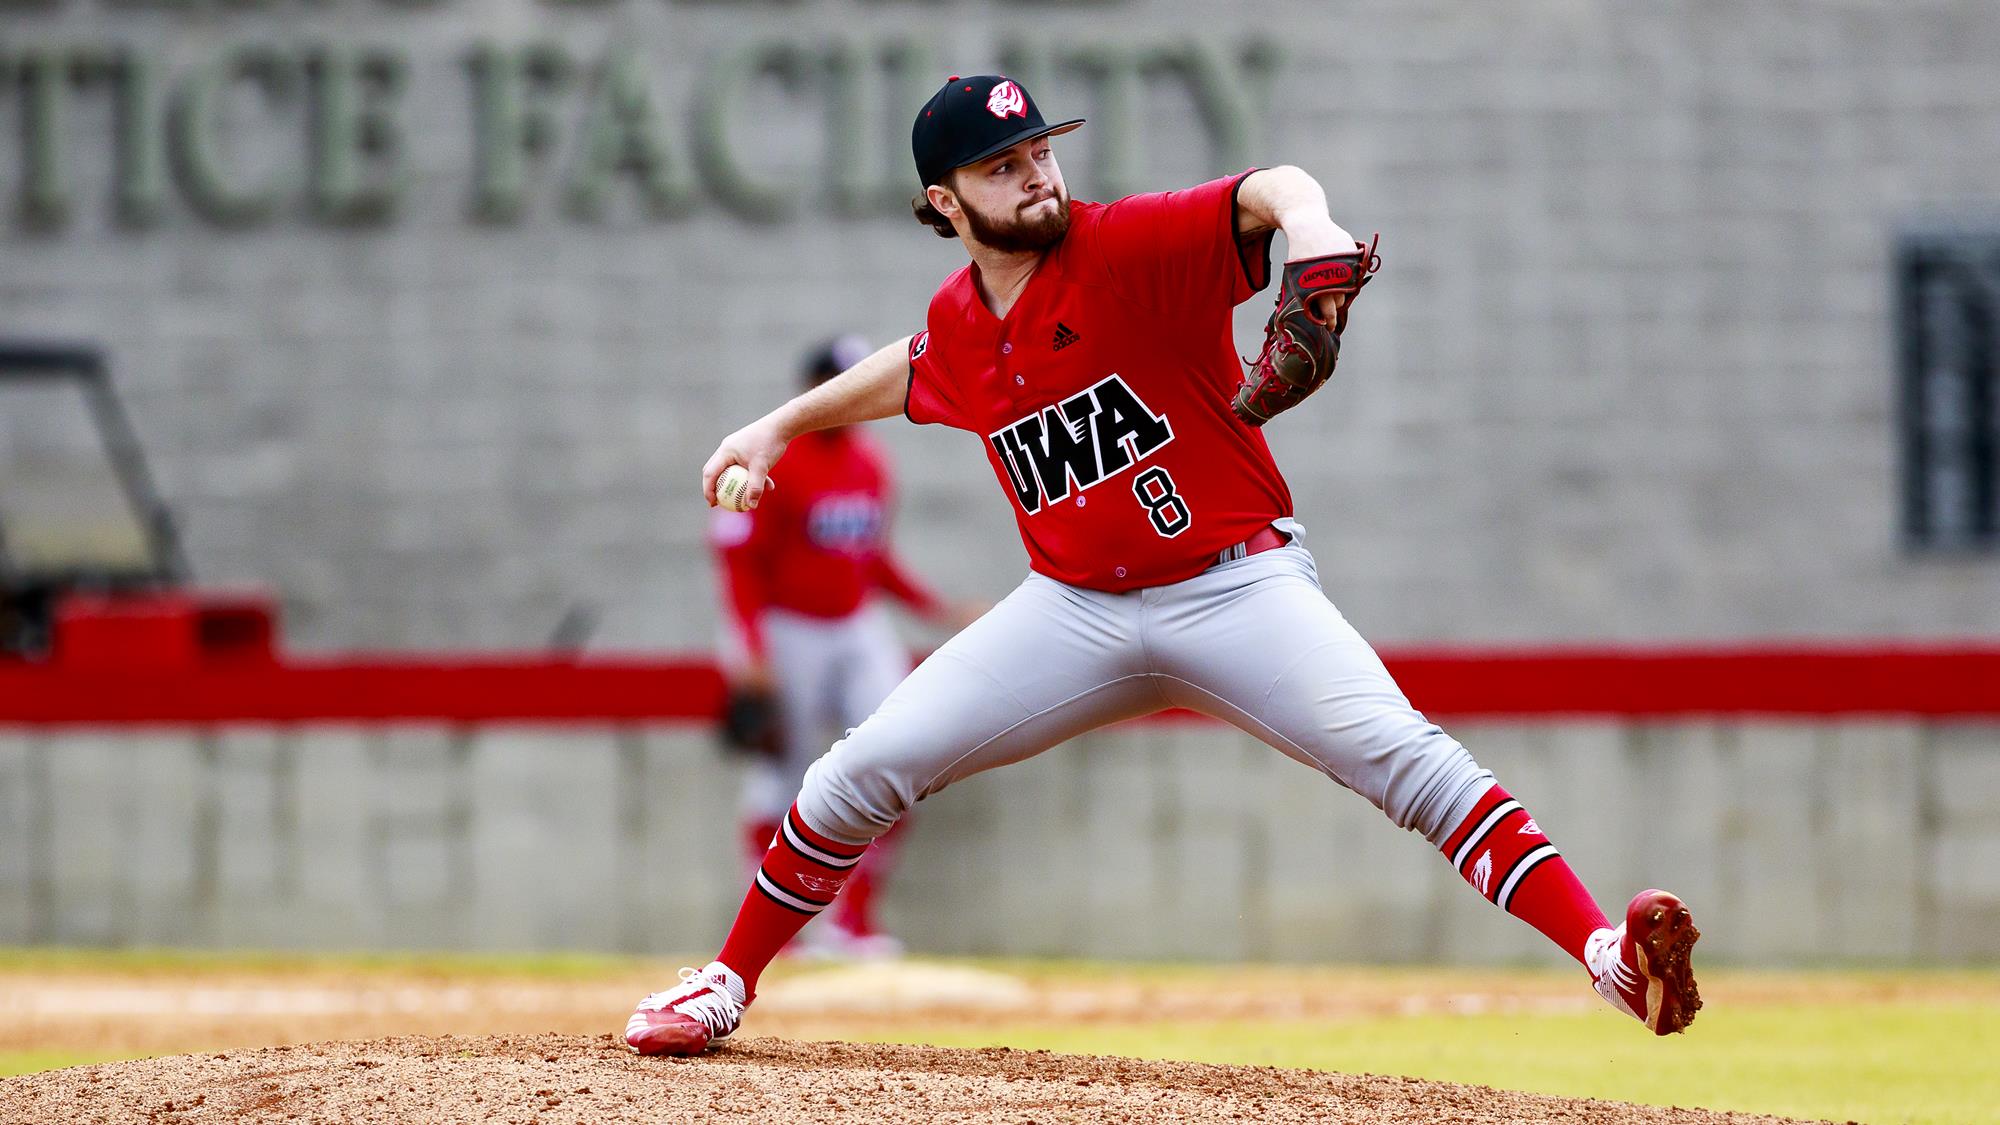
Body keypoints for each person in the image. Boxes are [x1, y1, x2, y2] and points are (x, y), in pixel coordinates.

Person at [626, 74, 1700, 1056]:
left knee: (1407, 760)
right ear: (944, 204)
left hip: (1238, 587)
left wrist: (1312, 229)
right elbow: (907, 368)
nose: (1035, 173)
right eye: (1001, 166)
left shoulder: (1125, 247)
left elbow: (1272, 187)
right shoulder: (962, 324)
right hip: (1072, 615)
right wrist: (774, 427)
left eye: (1039, 149)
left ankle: (1605, 961)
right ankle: (727, 981)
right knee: (852, 774)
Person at [709, 335, 971, 958]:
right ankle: (786, 934)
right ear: (813, 386)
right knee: (780, 778)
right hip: (785, 627)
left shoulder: (870, 461)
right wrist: (751, 656)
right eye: (837, 378)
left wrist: (938, 610)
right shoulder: (774, 461)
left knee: (900, 755)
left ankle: (853, 921)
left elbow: (872, 561)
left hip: (856, 624)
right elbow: (741, 571)